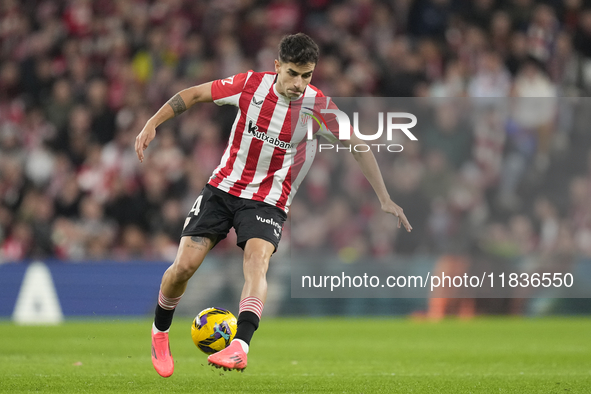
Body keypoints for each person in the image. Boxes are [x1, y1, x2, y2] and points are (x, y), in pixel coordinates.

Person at [135, 33, 412, 377]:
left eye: (307, 75)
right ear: (277, 66)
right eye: (293, 73)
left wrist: (384, 198)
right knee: (184, 268)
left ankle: (240, 346)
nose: (299, 83)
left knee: (256, 261)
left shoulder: (319, 107)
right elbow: (193, 95)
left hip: (268, 201)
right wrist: (152, 123)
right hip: (222, 189)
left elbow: (358, 145)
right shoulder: (249, 85)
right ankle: (160, 333)